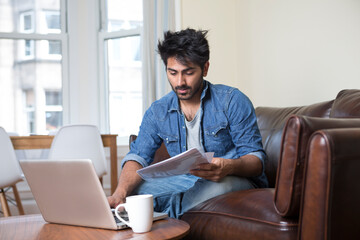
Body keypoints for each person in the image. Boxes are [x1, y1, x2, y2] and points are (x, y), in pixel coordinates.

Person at [108, 28, 268, 219]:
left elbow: (256, 160)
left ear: (205, 68)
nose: (180, 82)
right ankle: (174, 212)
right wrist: (120, 193)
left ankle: (168, 220)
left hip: (231, 179)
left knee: (212, 188)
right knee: (136, 192)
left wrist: (229, 166)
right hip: (186, 180)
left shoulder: (232, 101)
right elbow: (137, 156)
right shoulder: (158, 111)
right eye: (173, 72)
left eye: (188, 72)